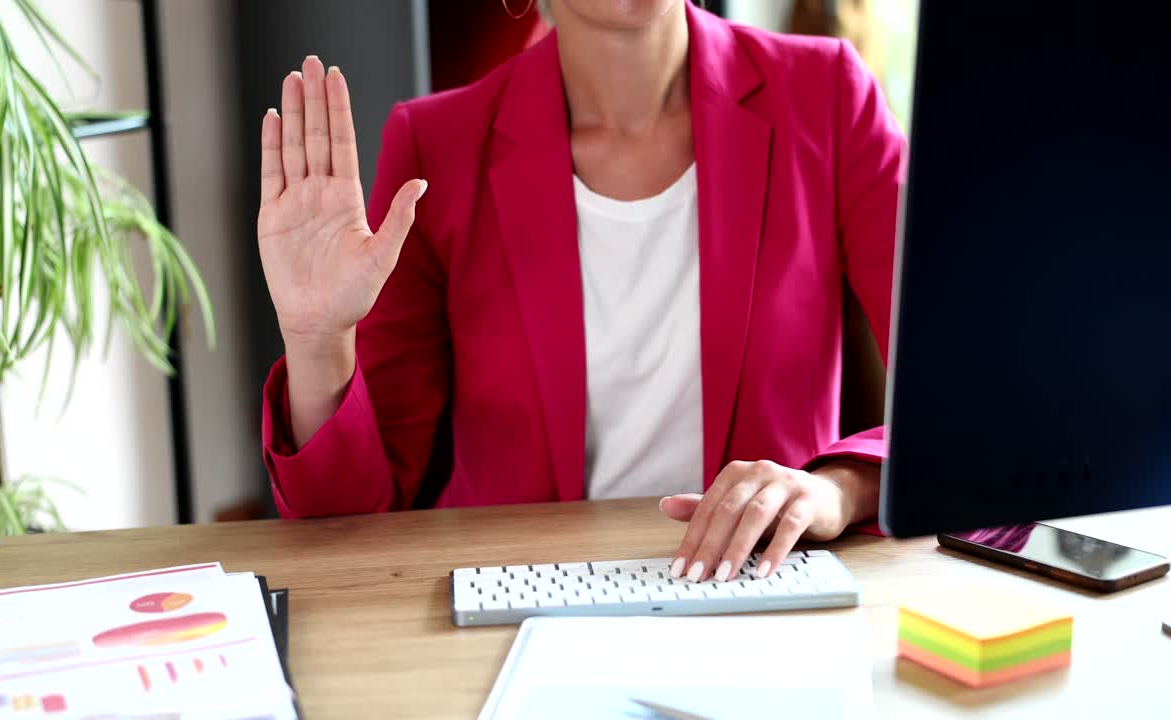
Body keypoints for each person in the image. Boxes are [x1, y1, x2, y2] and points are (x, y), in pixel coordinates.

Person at [257, 0, 904, 584]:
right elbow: (348, 520)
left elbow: (965, 400)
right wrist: (317, 340)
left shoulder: (827, 94)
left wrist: (839, 489)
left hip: (762, 585)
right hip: (515, 601)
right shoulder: (436, 146)